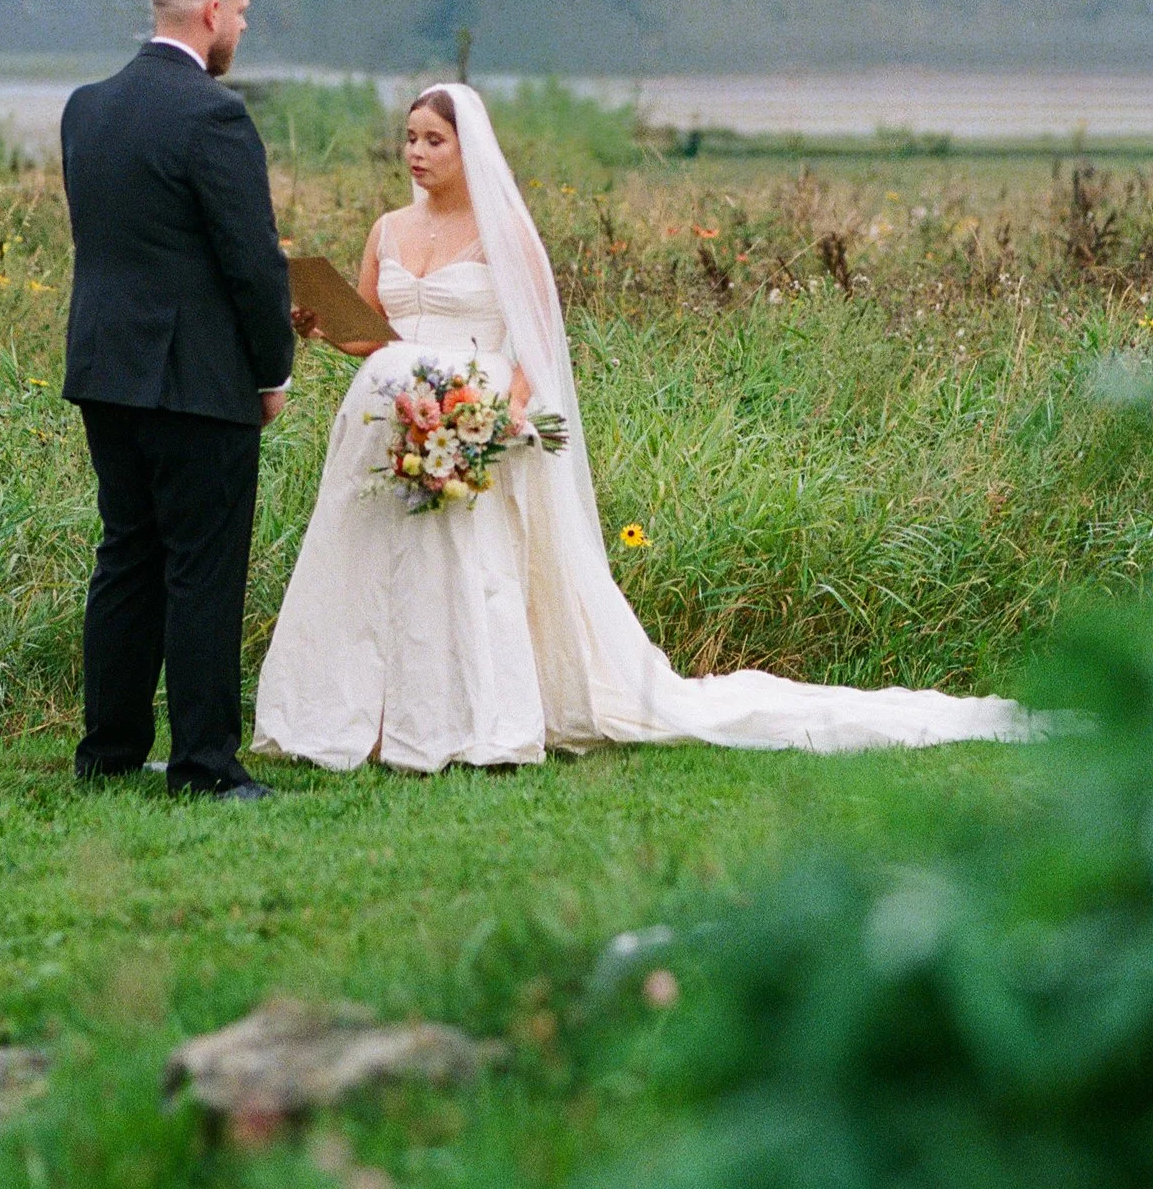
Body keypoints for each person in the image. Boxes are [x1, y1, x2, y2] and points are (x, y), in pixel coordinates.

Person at [253, 83, 1030, 772]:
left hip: (469, 409)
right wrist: (319, 324)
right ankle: (368, 720)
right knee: (370, 566)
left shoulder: (505, 234)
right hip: (385, 413)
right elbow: (375, 332)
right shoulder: (387, 229)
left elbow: (532, 341)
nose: (415, 153)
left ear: (467, 149)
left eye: (432, 140)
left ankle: (468, 720)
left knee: (461, 569)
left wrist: (503, 412)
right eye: (410, 138)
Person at [61, 0, 294, 800]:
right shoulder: (213, 117)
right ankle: (204, 765)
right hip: (196, 377)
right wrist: (272, 369)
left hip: (103, 367)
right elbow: (252, 264)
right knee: (203, 567)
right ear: (210, 15)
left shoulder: (86, 109)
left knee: (126, 557)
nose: (240, 28)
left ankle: (109, 752)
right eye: (239, 14)